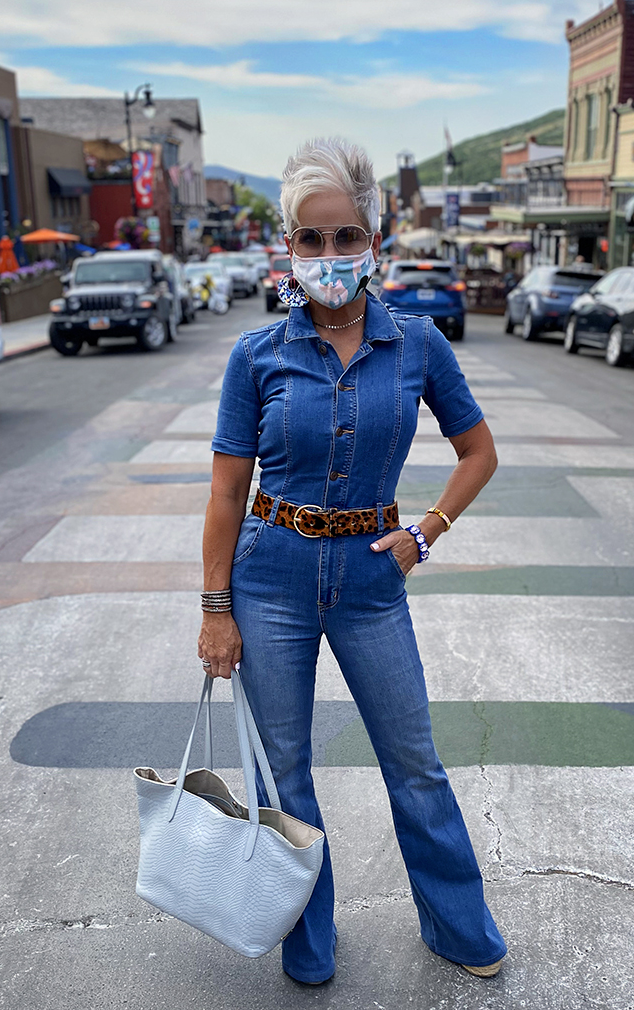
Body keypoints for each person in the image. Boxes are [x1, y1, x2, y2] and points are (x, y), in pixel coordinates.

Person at [197, 137, 507, 985]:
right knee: (284, 771)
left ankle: (458, 926)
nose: (328, 256)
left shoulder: (418, 346)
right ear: (288, 248)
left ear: (372, 239)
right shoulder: (255, 356)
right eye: (310, 239)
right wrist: (215, 607)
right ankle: (310, 941)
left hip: (373, 579)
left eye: (344, 238)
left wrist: (428, 530)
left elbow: (478, 452)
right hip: (272, 576)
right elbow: (227, 494)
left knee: (414, 761)